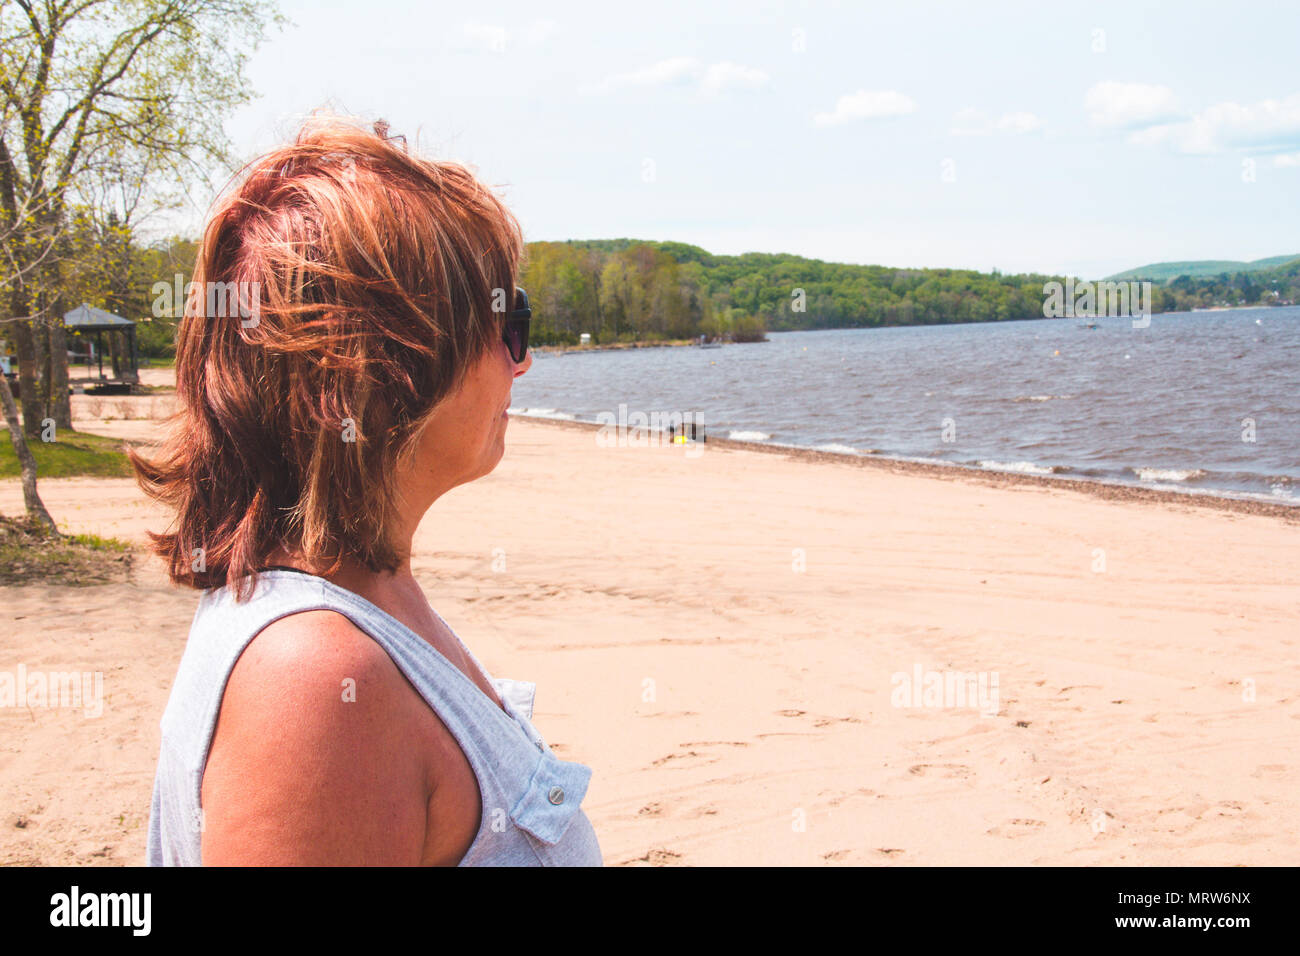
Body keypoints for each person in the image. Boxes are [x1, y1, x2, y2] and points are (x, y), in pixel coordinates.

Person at [133, 116, 602, 866]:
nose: (524, 362)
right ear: (393, 363)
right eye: (509, 322)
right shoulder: (317, 682)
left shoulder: (368, 591)